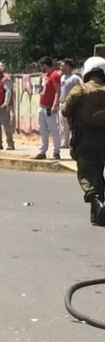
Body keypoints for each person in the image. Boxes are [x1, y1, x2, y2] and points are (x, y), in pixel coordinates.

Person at [61, 56, 105, 226]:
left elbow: (65, 111)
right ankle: (97, 215)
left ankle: (97, 202)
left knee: (87, 175)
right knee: (99, 174)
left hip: (85, 138)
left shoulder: (79, 90)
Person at [34, 56, 61, 160]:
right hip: (42, 105)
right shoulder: (45, 76)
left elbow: (57, 91)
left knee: (53, 129)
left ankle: (56, 151)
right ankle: (42, 151)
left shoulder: (54, 75)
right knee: (43, 130)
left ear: (44, 65)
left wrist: (55, 104)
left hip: (50, 106)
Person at [59, 58, 82, 149]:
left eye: (62, 65)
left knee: (71, 124)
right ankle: (64, 142)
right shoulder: (62, 77)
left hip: (71, 105)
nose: (60, 67)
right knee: (62, 124)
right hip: (62, 103)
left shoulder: (75, 78)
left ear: (68, 66)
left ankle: (72, 142)